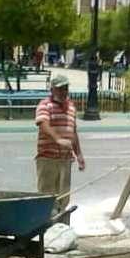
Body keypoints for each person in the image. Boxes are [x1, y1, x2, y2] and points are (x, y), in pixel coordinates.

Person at [35, 74, 85, 223]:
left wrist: (79, 155)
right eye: (60, 89)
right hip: (48, 158)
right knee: (48, 197)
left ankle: (62, 227)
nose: (64, 91)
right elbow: (43, 124)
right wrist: (57, 139)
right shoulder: (45, 105)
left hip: (65, 159)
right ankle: (47, 229)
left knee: (63, 197)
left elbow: (73, 131)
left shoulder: (71, 107)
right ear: (52, 90)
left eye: (66, 88)